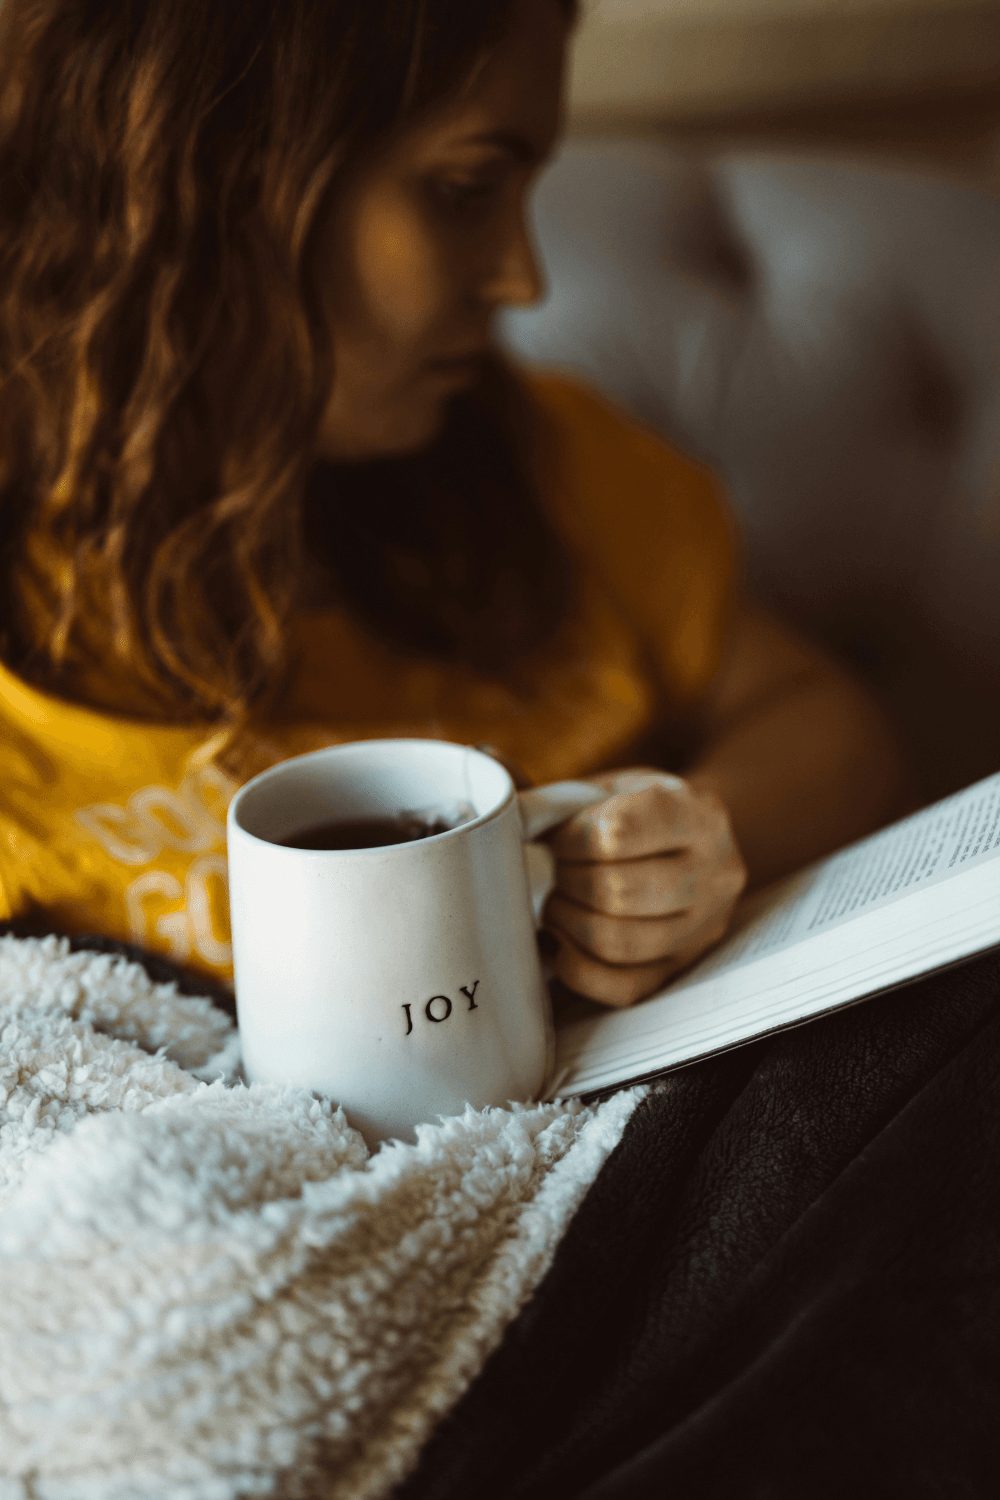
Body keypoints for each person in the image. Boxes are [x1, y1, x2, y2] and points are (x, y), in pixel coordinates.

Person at [0, 0, 908, 1009]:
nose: (523, 279)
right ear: (212, 177)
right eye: (463, 188)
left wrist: (701, 836)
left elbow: (823, 718)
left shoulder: (544, 457)